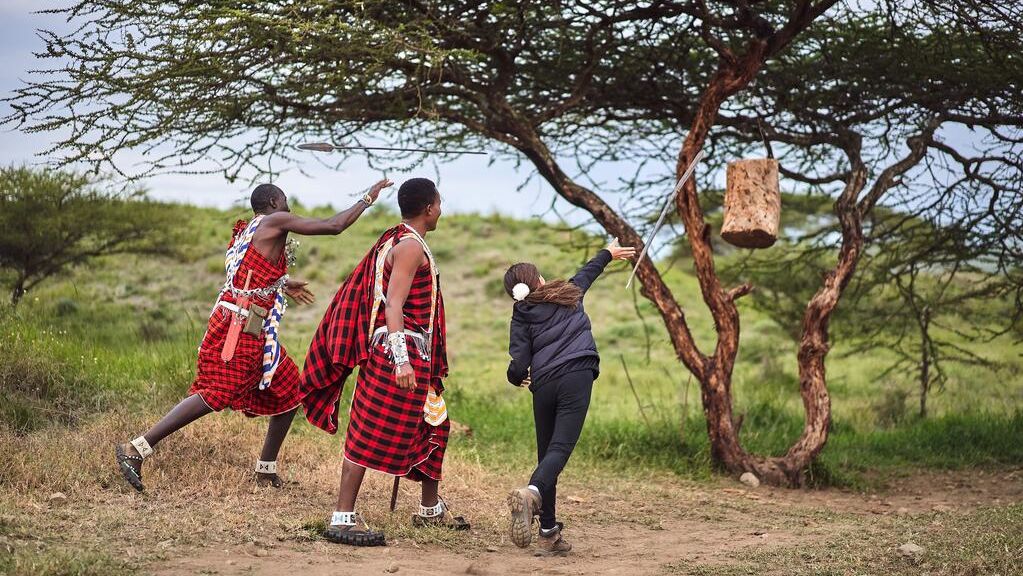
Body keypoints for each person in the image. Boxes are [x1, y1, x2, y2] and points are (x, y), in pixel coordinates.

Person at [114, 179, 392, 492]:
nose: (290, 210)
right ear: (274, 203)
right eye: (286, 202)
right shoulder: (276, 220)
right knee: (216, 392)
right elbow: (334, 225)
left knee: (289, 391)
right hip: (238, 325)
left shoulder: (249, 231)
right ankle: (136, 449)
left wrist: (281, 284)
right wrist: (368, 197)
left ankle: (265, 470)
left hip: (251, 326)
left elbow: (248, 274)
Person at [301, 178, 468, 547]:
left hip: (413, 354)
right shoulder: (408, 247)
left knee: (435, 425)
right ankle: (341, 518)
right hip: (397, 355)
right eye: (439, 203)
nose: (441, 209)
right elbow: (393, 305)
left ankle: (430, 511)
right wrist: (402, 361)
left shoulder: (405, 241)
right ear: (429, 208)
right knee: (366, 431)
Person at [503, 238, 635, 554]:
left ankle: (548, 532)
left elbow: (519, 363)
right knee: (559, 449)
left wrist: (517, 377)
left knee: (547, 453)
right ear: (539, 281)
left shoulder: (520, 314)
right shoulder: (568, 293)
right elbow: (587, 272)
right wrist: (608, 253)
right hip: (576, 374)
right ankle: (532, 493)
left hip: (544, 384)